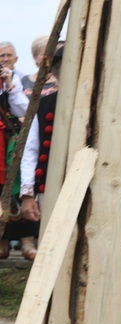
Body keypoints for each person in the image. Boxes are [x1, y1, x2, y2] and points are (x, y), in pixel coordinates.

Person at [19, 46, 65, 258]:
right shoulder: (41, 105)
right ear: (55, 72)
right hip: (49, 186)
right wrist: (28, 195)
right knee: (52, 245)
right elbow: (30, 150)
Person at [0, 44, 33, 260]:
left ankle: (27, 241)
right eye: (1, 55)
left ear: (16, 58)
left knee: (18, 185)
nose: (4, 58)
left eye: (8, 55)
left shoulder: (22, 79)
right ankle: (2, 242)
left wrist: (10, 83)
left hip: (14, 140)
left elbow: (24, 110)